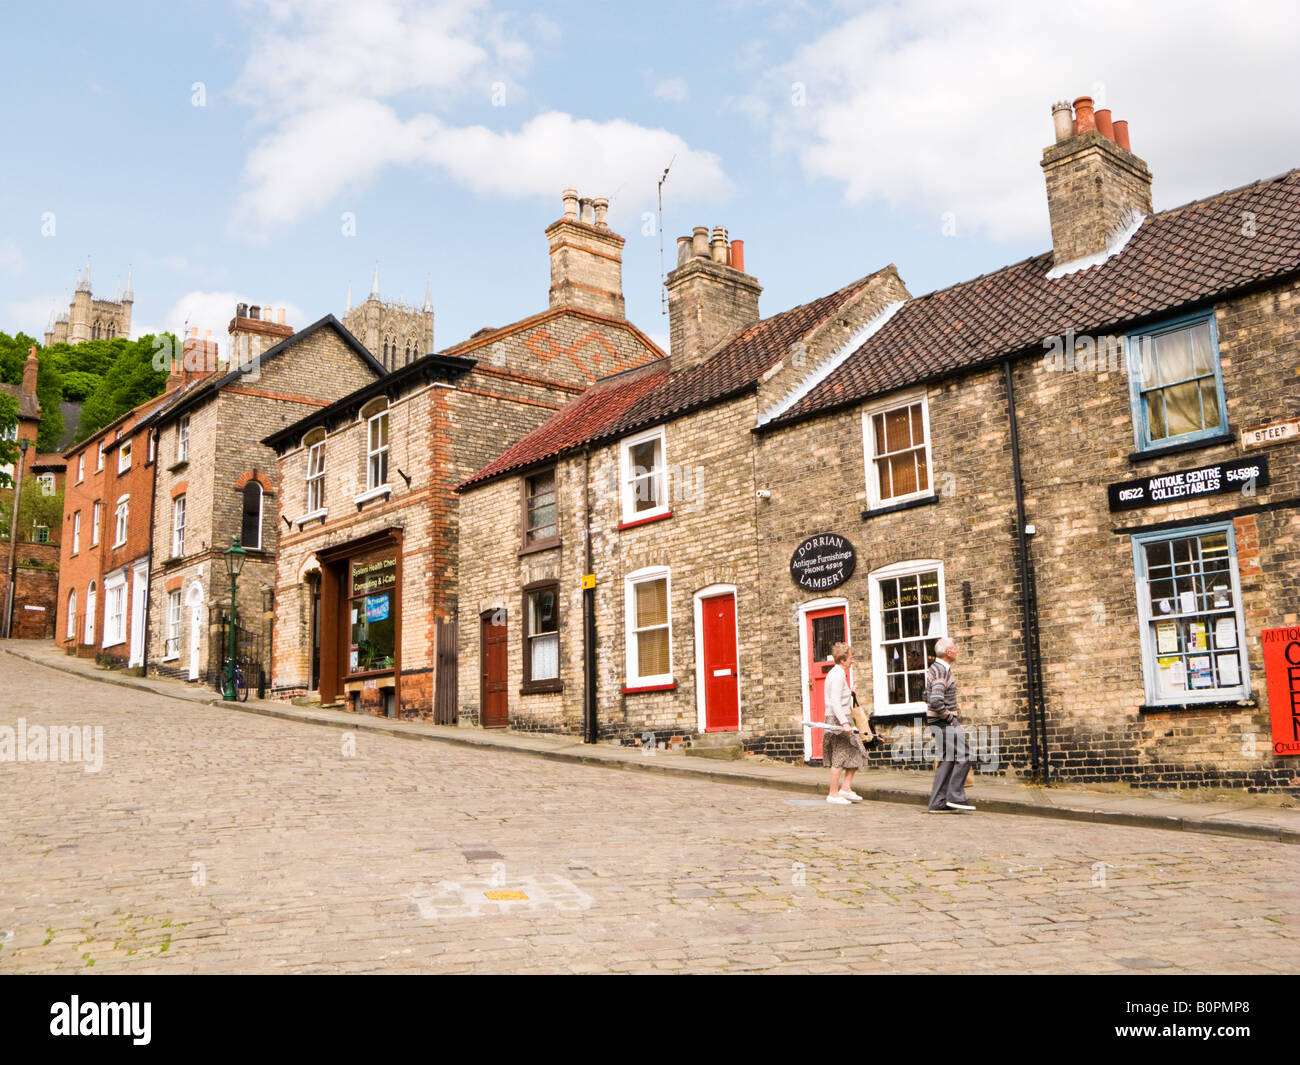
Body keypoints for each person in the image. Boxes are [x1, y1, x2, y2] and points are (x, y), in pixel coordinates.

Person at [925, 636, 976, 813]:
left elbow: (926, 695)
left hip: (935, 721)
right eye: (954, 647)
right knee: (966, 754)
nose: (957, 650)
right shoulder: (942, 671)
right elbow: (935, 700)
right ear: (948, 652)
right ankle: (955, 796)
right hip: (943, 722)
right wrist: (949, 718)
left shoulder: (934, 668)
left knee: (947, 759)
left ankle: (937, 803)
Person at [823, 642, 867, 804]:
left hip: (844, 718)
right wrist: (844, 723)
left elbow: (839, 697)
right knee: (839, 757)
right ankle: (833, 794)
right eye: (850, 658)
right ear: (842, 660)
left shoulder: (839, 674)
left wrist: (851, 693)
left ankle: (846, 788)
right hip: (838, 720)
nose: (852, 660)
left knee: (856, 751)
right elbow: (834, 702)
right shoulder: (836, 675)